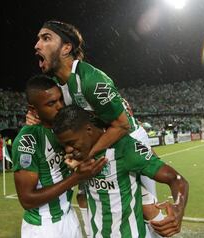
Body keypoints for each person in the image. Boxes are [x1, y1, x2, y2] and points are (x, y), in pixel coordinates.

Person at [33, 20, 160, 236]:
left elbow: (122, 125)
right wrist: (33, 118)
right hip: (102, 143)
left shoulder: (91, 81)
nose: (37, 45)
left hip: (128, 140)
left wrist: (86, 157)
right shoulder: (56, 87)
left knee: (146, 209)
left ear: (66, 48)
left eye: (46, 38)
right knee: (85, 197)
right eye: (38, 39)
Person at [52, 105, 189, 238]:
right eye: (64, 145)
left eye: (71, 143)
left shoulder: (124, 148)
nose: (68, 150)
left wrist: (178, 207)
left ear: (88, 130)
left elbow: (175, 179)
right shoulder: (80, 155)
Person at [12, 75, 107, 238]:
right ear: (33, 110)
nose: (59, 106)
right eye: (51, 103)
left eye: (60, 99)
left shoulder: (67, 129)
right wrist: (75, 178)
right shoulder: (28, 140)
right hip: (44, 227)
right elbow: (27, 199)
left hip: (69, 217)